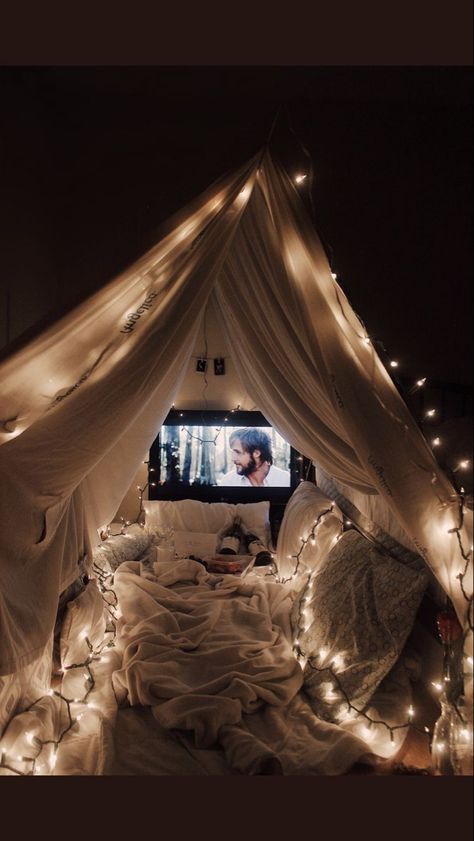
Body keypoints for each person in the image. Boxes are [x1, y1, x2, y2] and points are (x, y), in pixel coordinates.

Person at [219, 428, 290, 487]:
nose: (233, 459)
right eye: (233, 452)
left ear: (256, 453)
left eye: (238, 452)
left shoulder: (286, 480)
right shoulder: (228, 481)